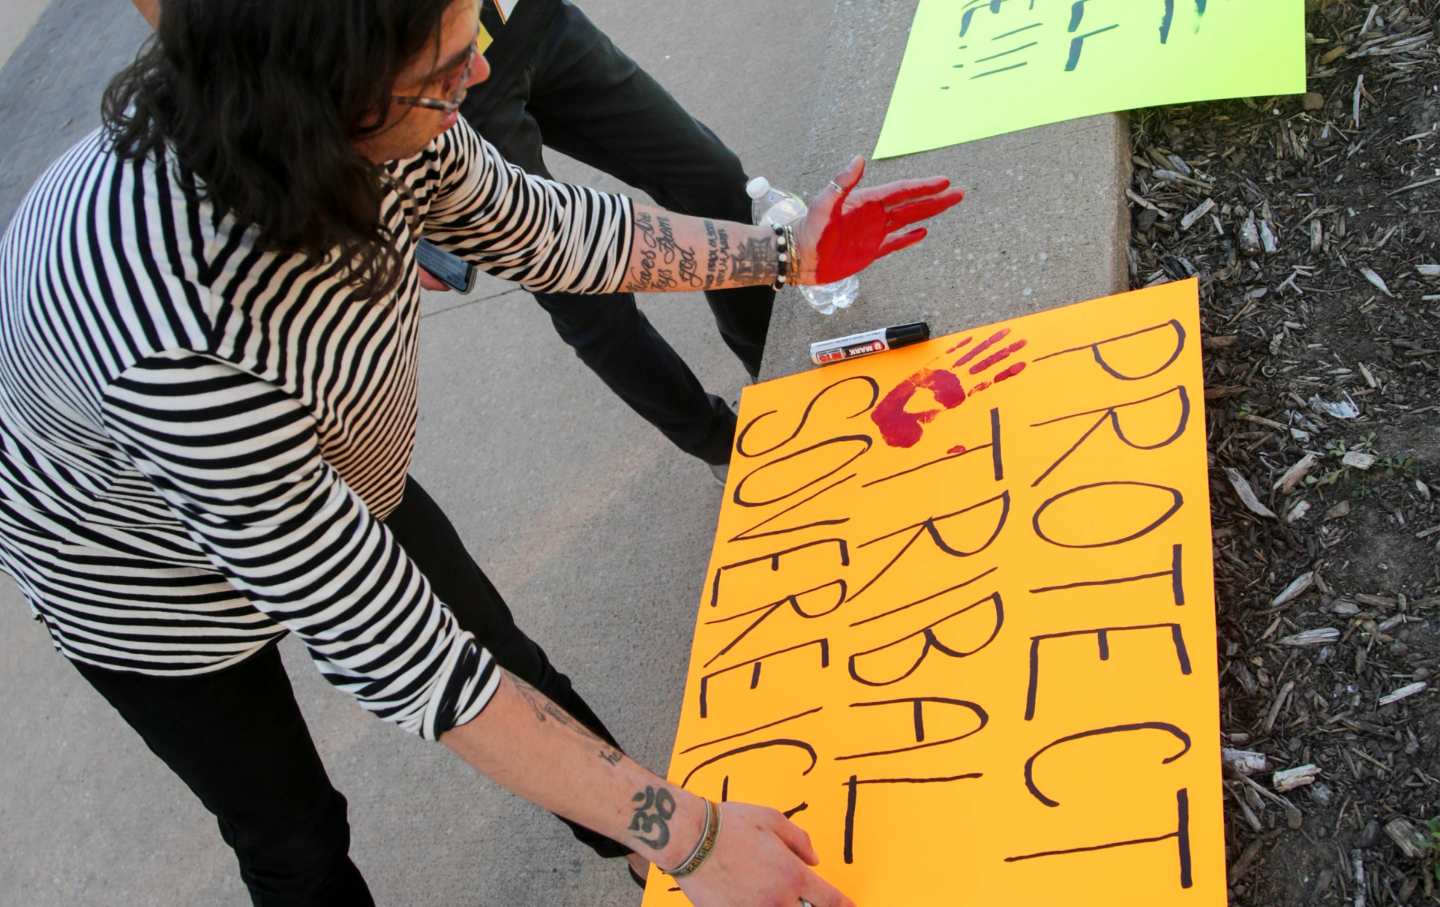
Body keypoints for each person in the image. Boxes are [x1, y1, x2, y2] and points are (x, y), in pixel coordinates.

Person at [0, 1, 962, 904]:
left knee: (511, 659)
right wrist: (701, 840)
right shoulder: (179, 334)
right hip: (139, 576)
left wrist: (791, 257)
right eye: (449, 63)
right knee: (291, 830)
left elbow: (554, 232)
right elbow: (413, 662)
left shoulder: (377, 112)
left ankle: (639, 852)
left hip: (324, 461)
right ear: (329, 98)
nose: (486, 65)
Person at [133, 0, 771, 479]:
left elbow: (573, 233)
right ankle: (720, 444)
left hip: (511, 21)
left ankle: (776, 369)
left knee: (710, 180)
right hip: (401, 63)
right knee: (589, 302)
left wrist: (783, 255)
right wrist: (377, 204)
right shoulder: (196, 354)